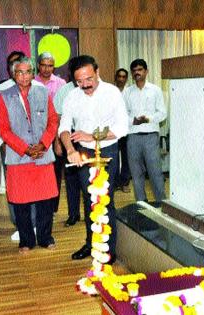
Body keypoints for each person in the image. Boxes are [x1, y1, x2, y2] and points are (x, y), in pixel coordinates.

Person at [59, 55, 128, 263]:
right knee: (89, 200)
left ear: (97, 72)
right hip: (83, 153)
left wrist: (91, 136)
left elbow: (122, 127)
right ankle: (91, 244)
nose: (85, 85)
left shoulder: (112, 93)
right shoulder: (72, 96)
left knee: (105, 201)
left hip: (107, 151)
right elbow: (63, 127)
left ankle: (108, 249)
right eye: (79, 81)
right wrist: (70, 149)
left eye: (88, 79)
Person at [0, 56, 58, 253]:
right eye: (19, 72)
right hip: (19, 157)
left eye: (28, 72)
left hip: (43, 155)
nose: (24, 76)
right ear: (13, 74)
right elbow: (3, 130)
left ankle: (45, 237)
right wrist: (25, 148)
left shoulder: (43, 91)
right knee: (21, 203)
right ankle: (26, 241)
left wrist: (43, 144)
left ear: (33, 73)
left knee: (46, 201)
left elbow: (53, 122)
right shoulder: (4, 95)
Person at [0, 51, 44, 241]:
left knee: (36, 187)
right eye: (14, 67)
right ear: (10, 70)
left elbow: (46, 119)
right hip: (11, 148)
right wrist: (3, 142)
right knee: (16, 189)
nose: (20, 73)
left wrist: (41, 144)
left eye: (24, 68)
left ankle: (36, 225)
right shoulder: (2, 90)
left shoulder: (39, 88)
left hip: (37, 149)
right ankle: (20, 226)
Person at [123, 59, 166, 204]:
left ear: (146, 71)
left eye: (140, 69)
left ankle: (162, 203)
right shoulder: (127, 92)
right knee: (136, 174)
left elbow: (163, 113)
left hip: (150, 137)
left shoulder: (155, 90)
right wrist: (133, 121)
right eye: (134, 70)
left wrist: (148, 119)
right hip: (133, 137)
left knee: (155, 173)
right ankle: (141, 204)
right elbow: (122, 115)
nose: (137, 73)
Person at [35, 52, 66, 215]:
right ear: (38, 65)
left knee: (55, 174)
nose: (47, 69)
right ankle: (39, 208)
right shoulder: (31, 82)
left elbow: (63, 113)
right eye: (44, 65)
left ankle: (52, 210)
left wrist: (58, 140)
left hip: (56, 135)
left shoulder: (61, 84)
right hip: (36, 135)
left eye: (50, 65)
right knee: (38, 173)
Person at [53, 60, 81, 227]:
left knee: (87, 179)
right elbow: (57, 118)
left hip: (87, 139)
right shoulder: (63, 91)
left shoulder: (90, 89)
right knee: (70, 179)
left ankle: (91, 213)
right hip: (67, 138)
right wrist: (57, 143)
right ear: (70, 73)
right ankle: (73, 214)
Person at [114, 68, 131, 193]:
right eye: (119, 76)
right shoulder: (110, 91)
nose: (121, 79)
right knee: (113, 157)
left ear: (126, 79)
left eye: (124, 77)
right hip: (112, 130)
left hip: (126, 129)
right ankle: (114, 183)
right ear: (116, 78)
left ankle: (125, 182)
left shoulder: (130, 92)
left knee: (126, 157)